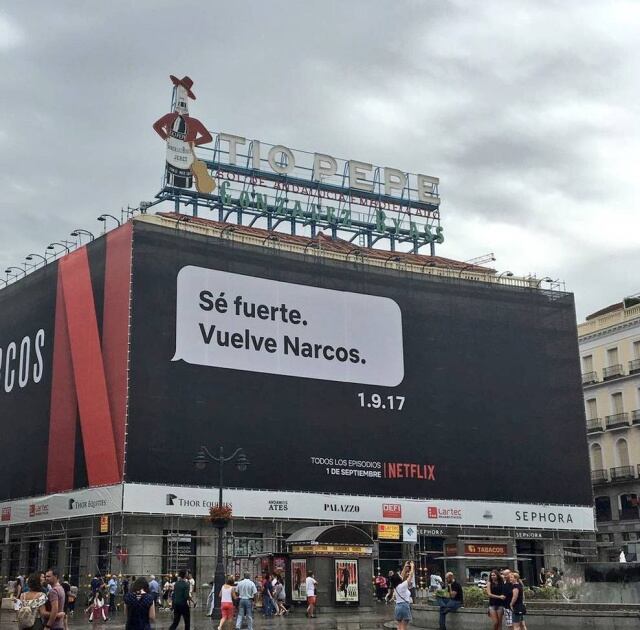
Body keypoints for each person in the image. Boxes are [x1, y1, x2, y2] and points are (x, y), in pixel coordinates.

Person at [393, 561, 414, 630]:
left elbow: (401, 576)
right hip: (404, 606)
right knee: (404, 627)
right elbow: (410, 576)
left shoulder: (395, 587)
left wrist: (405, 567)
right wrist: (412, 566)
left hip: (397, 606)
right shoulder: (403, 586)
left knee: (399, 626)